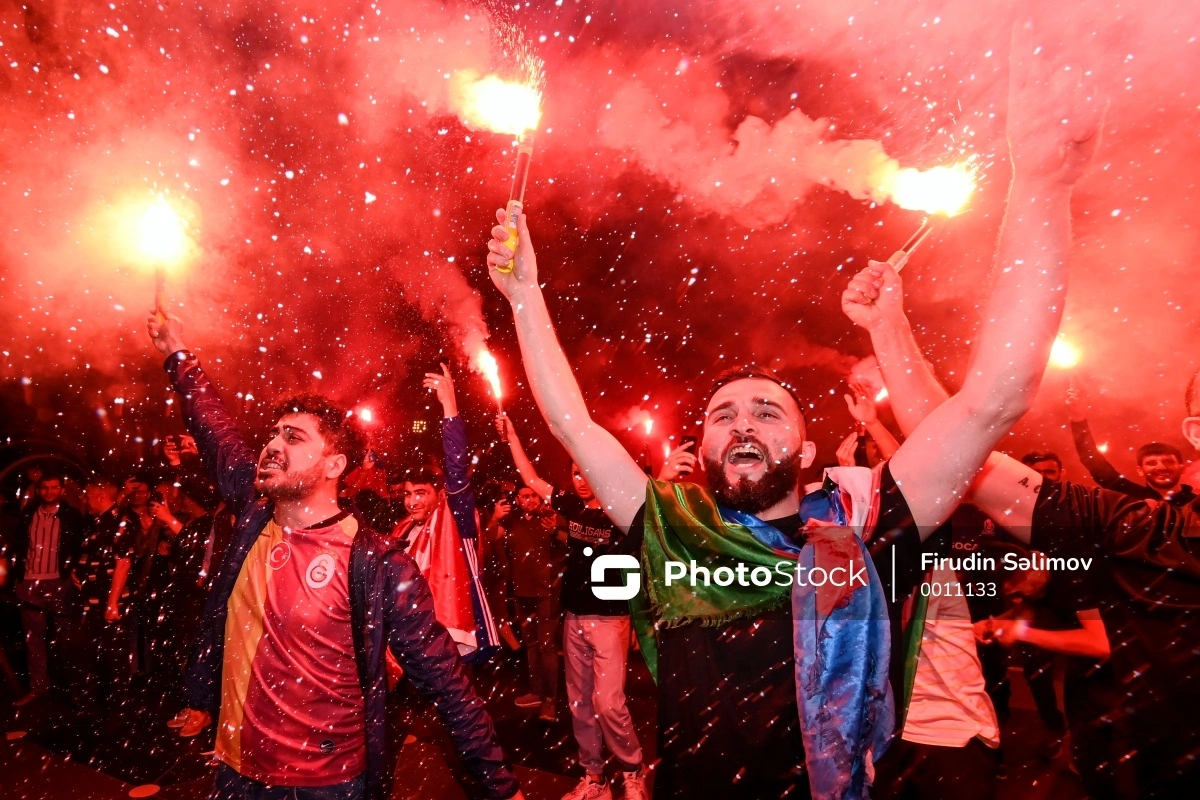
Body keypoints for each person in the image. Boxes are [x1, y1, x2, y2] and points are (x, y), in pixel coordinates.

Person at [483, 29, 1100, 798]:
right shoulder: (672, 522)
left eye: (768, 414)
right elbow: (575, 424)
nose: (743, 424)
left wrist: (1042, 184)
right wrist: (525, 297)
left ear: (808, 452)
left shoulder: (868, 520)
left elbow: (994, 399)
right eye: (724, 414)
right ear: (700, 447)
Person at [842, 259, 1200, 796]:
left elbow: (1096, 638)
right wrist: (888, 327)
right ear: (1195, 432)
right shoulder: (1146, 534)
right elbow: (954, 450)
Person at [145, 314, 523, 800]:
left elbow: (449, 687)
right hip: (236, 774)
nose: (272, 445)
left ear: (335, 465)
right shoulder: (254, 519)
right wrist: (178, 354)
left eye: (294, 437)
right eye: (274, 433)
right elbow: (216, 431)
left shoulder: (379, 564)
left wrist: (501, 787)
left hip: (328, 785)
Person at [498, 413, 648, 800]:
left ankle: (633, 770)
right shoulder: (572, 507)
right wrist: (513, 436)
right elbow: (530, 478)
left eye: (587, 473)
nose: (581, 480)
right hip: (574, 618)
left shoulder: (623, 514)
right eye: (575, 474)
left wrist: (634, 621)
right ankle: (593, 778)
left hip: (610, 620)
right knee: (580, 703)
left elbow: (641, 549)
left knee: (609, 703)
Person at [390, 365, 500, 660]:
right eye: (407, 494)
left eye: (421, 493)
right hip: (408, 638)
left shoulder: (453, 518)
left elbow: (456, 470)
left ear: (440, 496)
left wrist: (449, 406)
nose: (412, 501)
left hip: (448, 637)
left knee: (453, 704)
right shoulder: (401, 531)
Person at [492, 479, 565, 721]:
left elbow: (571, 541)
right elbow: (490, 539)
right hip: (521, 593)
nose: (530, 500)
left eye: (534, 496)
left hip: (547, 593)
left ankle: (550, 701)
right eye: (525, 496)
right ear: (518, 500)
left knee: (547, 647)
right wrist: (494, 516)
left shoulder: (551, 516)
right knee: (531, 646)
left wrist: (556, 530)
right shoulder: (510, 520)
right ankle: (536, 692)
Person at [10, 472, 85, 706]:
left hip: (59, 582)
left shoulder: (72, 516)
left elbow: (79, 545)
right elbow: (18, 546)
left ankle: (74, 689)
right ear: (38, 490)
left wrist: (73, 571)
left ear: (62, 490)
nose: (49, 492)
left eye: (54, 488)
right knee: (34, 640)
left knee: (66, 639)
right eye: (45, 488)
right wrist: (17, 578)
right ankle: (39, 688)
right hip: (30, 581)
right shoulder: (27, 515)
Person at [71, 476, 135, 723]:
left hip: (109, 602)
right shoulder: (94, 523)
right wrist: (79, 572)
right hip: (91, 599)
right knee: (93, 652)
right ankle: (94, 704)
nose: (84, 500)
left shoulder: (121, 522)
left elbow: (123, 562)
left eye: (87, 495)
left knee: (114, 655)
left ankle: (121, 708)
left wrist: (112, 602)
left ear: (99, 496)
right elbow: (93, 554)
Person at [1067, 384, 1194, 503]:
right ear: (1140, 470)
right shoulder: (1131, 498)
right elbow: (1094, 463)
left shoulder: (1196, 504)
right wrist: (1078, 420)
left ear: (1182, 467)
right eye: (1151, 463)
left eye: (1168, 461)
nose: (1161, 467)